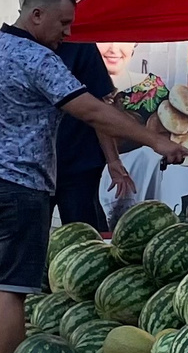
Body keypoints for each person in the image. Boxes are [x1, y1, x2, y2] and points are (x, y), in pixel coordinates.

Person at [0, 0, 187, 353]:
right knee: (11, 292)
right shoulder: (38, 58)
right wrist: (153, 141)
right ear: (35, 16)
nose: (68, 33)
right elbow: (93, 110)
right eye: (63, 23)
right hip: (17, 185)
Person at [51, 37, 134, 231]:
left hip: (78, 165)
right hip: (31, 169)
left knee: (86, 235)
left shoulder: (80, 46)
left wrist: (113, 160)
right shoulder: (15, 47)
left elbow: (98, 107)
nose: (66, 30)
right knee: (30, 243)